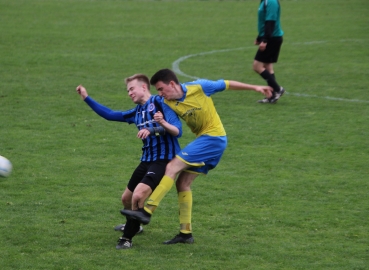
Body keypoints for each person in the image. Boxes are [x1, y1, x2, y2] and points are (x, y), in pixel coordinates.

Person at [121, 68, 272, 244]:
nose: (160, 94)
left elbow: (227, 84)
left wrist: (255, 87)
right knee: (183, 183)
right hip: (206, 141)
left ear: (172, 84)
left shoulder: (200, 87)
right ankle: (186, 234)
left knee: (172, 166)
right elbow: (170, 126)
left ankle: (146, 211)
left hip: (213, 138)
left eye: (161, 89)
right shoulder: (167, 102)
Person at [75, 74, 182, 249]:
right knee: (126, 198)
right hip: (147, 160)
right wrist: (86, 98)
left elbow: (177, 130)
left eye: (131, 89)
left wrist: (152, 129)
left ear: (143, 88)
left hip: (164, 161)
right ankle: (136, 225)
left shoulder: (161, 103)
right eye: (128, 91)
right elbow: (110, 115)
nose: (129, 93)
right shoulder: (137, 112)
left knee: (139, 195)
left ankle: (127, 239)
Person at [253, 0, 285, 104]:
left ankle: (277, 89)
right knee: (268, 67)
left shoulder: (271, 1)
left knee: (257, 66)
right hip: (270, 37)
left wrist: (265, 40)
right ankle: (272, 95)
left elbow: (270, 21)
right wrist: (259, 37)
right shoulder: (264, 1)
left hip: (272, 38)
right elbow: (263, 21)